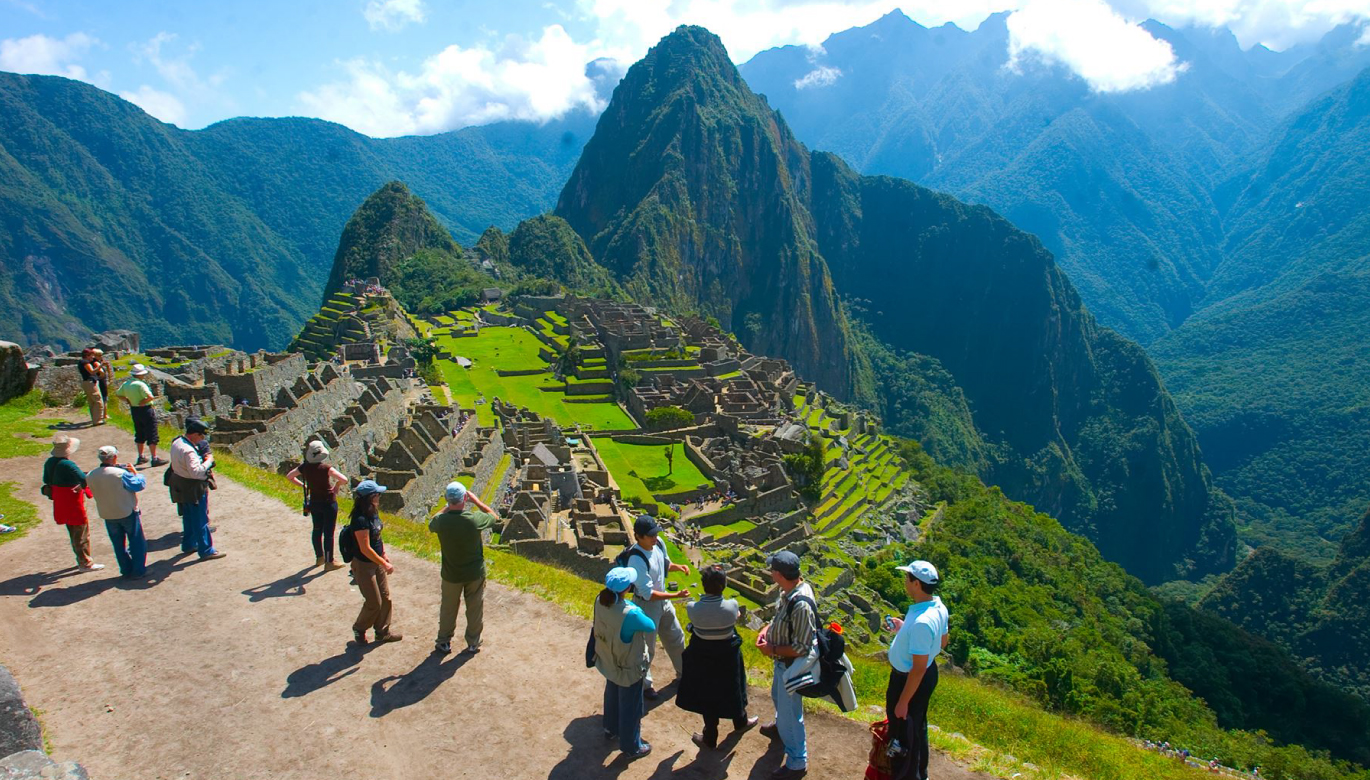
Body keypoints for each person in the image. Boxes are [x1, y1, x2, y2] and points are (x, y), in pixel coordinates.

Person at [677, 564, 759, 749]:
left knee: (709, 695)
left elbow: (695, 625)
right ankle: (740, 722)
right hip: (727, 656)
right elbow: (735, 616)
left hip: (703, 656)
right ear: (724, 585)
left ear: (703, 585)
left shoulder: (693, 608)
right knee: (734, 687)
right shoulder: (732, 606)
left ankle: (710, 735)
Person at [884, 560, 949, 780]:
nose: (905, 582)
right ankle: (920, 772)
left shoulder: (922, 621)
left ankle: (904, 774)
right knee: (917, 726)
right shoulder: (937, 607)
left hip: (909, 680)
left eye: (907, 578)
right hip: (926, 673)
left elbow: (918, 669)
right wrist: (904, 631)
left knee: (902, 732)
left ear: (916, 584)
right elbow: (942, 641)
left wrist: (903, 701)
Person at [757, 550, 816, 780]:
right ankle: (781, 729)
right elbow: (780, 618)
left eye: (772, 569)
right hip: (781, 663)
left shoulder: (800, 605)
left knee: (791, 715)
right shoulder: (789, 592)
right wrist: (767, 631)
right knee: (777, 696)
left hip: (791, 665)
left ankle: (796, 762)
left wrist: (770, 649)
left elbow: (802, 646)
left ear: (779, 574)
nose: (770, 572)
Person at [428, 481, 500, 655]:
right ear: (465, 498)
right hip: (474, 573)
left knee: (448, 609)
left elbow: (432, 521)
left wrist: (447, 507)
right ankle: (473, 642)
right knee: (474, 609)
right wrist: (476, 502)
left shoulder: (441, 522)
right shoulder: (474, 519)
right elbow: (494, 516)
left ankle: (444, 641)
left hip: (451, 573)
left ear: (447, 499)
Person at [623, 515, 690, 699]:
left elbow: (665, 564)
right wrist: (676, 595)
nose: (655, 537)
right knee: (647, 647)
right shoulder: (636, 559)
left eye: (655, 534)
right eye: (650, 535)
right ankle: (645, 686)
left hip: (663, 603)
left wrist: (679, 567)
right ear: (638, 536)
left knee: (676, 637)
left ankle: (684, 674)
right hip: (647, 606)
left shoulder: (658, 543)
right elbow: (648, 593)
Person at [593, 566, 656, 759]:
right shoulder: (631, 613)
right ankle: (631, 746)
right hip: (628, 666)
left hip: (608, 660)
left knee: (612, 693)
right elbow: (650, 625)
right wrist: (634, 607)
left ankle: (610, 728)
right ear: (626, 589)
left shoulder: (600, 600)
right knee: (631, 706)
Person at [347, 479, 402, 646]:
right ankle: (360, 628)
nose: (380, 497)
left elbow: (377, 536)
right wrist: (384, 564)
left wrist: (383, 554)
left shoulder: (373, 512)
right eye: (377, 494)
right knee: (373, 602)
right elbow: (365, 548)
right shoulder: (360, 519)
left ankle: (382, 631)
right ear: (370, 497)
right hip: (364, 565)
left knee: (386, 598)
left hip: (376, 562)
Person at [41, 435, 103, 571]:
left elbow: (46, 479)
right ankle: (85, 562)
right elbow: (84, 479)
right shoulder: (68, 464)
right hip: (72, 500)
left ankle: (81, 558)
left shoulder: (50, 462)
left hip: (60, 500)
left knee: (72, 531)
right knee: (81, 532)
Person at [86, 445, 148, 578]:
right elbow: (139, 485)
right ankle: (138, 571)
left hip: (107, 513)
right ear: (114, 457)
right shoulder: (120, 474)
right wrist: (135, 472)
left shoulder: (91, 475)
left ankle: (125, 570)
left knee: (118, 545)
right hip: (126, 510)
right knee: (137, 542)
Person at [168, 418, 225, 561]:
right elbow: (197, 472)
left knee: (188, 516)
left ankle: (188, 544)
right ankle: (206, 550)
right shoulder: (189, 451)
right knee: (200, 519)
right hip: (193, 486)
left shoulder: (177, 442)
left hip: (180, 483)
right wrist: (208, 462)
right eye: (201, 435)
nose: (202, 439)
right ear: (194, 434)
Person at [286, 441, 348, 569]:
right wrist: (336, 486)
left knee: (317, 530)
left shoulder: (304, 467)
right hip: (328, 502)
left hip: (314, 502)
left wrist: (304, 485)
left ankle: (319, 557)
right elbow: (344, 479)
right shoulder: (326, 468)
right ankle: (329, 561)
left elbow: (290, 476)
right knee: (329, 533)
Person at [115, 365, 166, 467]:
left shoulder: (126, 384)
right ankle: (154, 458)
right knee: (152, 433)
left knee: (139, 432)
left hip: (134, 410)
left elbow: (118, 394)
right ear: (141, 374)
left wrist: (127, 400)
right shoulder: (141, 384)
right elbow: (150, 397)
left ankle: (141, 456)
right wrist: (144, 401)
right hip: (146, 410)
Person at [77, 349, 106, 426]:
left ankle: (95, 419)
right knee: (98, 401)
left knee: (92, 402)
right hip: (90, 383)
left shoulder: (81, 362)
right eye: (91, 355)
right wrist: (101, 365)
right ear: (87, 356)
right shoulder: (85, 362)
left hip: (86, 383)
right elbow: (92, 371)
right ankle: (98, 420)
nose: (93, 357)